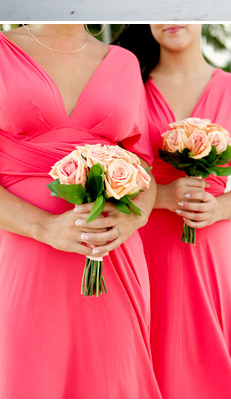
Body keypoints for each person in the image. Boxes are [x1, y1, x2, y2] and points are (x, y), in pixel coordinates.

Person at [0, 24, 160, 400]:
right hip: (25, 255)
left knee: (112, 381)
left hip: (111, 256)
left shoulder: (123, 62)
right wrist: (45, 228)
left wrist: (135, 217)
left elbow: (144, 168)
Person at [114, 24, 231, 399]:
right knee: (149, 351)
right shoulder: (129, 87)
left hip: (208, 245)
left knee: (208, 357)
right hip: (143, 242)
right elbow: (109, 173)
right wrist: (161, 197)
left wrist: (221, 206)